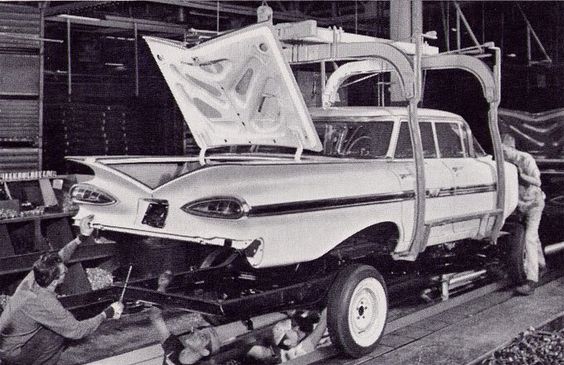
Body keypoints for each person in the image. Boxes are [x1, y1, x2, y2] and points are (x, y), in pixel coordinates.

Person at [0, 215, 124, 365]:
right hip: (12, 354)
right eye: (64, 272)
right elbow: (77, 331)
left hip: (5, 343)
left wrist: (81, 237)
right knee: (58, 335)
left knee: (59, 325)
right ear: (55, 280)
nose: (66, 268)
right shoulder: (44, 302)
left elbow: (60, 257)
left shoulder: (34, 277)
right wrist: (108, 313)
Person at [502, 134, 546, 295]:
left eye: (504, 149)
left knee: (530, 238)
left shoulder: (525, 159)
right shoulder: (505, 163)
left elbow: (538, 181)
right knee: (533, 238)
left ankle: (531, 280)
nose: (503, 153)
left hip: (534, 205)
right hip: (520, 206)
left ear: (511, 147)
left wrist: (521, 176)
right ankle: (541, 265)